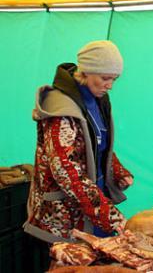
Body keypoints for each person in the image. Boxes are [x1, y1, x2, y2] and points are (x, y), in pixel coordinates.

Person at [24, 40, 134, 255]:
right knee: (75, 266)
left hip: (93, 201)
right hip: (65, 215)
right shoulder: (61, 110)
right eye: (105, 78)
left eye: (114, 79)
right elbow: (65, 169)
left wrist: (117, 171)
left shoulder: (98, 100)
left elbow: (97, 143)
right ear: (87, 71)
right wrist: (107, 214)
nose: (110, 85)